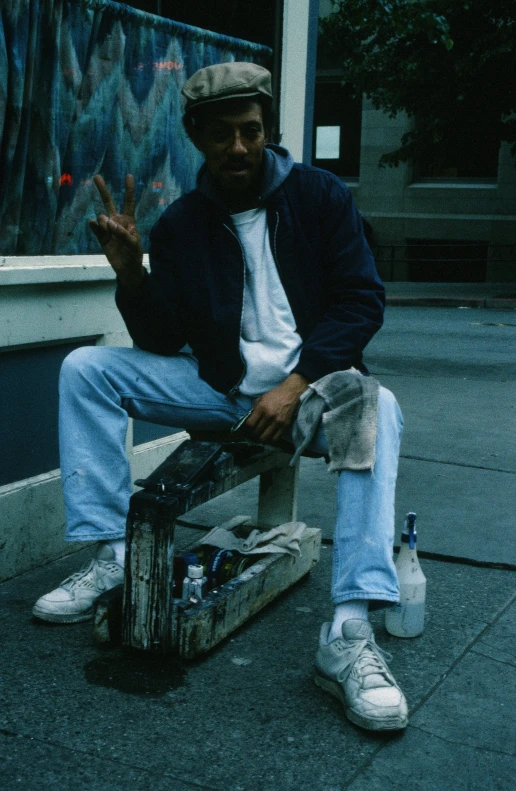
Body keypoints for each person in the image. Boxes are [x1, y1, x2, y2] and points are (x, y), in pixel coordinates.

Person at [33, 62, 408, 731]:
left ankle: (349, 635)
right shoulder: (182, 225)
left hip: (312, 394)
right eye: (222, 134)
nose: (238, 146)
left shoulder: (319, 197)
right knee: (85, 368)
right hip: (221, 391)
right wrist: (132, 276)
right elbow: (161, 336)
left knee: (376, 405)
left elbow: (361, 300)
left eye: (251, 130)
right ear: (194, 135)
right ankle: (112, 555)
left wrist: (297, 384)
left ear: (267, 129)